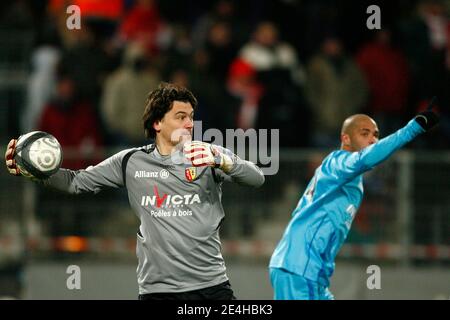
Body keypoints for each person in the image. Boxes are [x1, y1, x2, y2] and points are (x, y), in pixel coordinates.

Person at [5, 82, 265, 300]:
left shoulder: (209, 156)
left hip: (212, 287)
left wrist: (224, 160)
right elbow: (75, 182)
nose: (189, 124)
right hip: (157, 291)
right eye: (180, 116)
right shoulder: (130, 161)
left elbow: (257, 179)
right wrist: (33, 169)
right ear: (157, 123)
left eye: (191, 117)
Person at [268, 106, 439, 300]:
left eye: (376, 135)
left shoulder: (346, 177)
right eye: (364, 134)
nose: (373, 139)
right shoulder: (339, 163)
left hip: (312, 273)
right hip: (300, 268)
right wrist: (413, 128)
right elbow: (365, 159)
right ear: (346, 139)